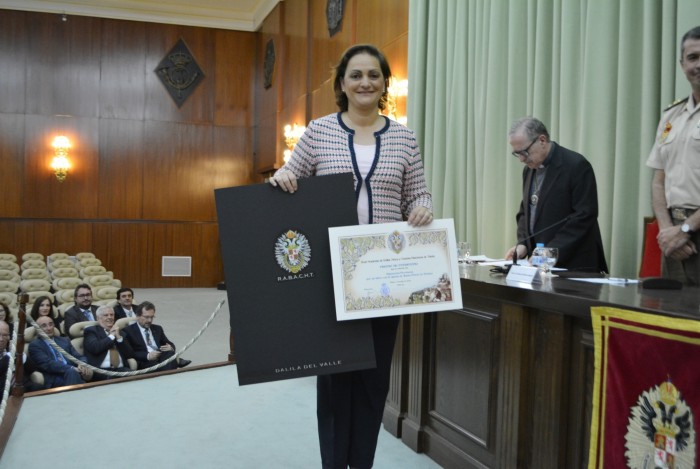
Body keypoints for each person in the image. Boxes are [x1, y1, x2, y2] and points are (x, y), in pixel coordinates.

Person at [270, 44, 433, 469]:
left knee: (373, 382)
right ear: (342, 82)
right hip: (332, 277)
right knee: (334, 379)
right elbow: (290, 175)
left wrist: (422, 206)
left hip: (385, 277)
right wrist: (284, 176)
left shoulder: (403, 136)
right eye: (356, 75)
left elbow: (417, 191)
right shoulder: (319, 131)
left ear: (383, 83)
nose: (365, 82)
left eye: (374, 75)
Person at [504, 117, 608, 273]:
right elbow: (526, 212)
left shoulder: (576, 165)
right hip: (540, 265)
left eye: (524, 152)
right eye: (516, 154)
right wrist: (523, 244)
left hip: (574, 265)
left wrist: (550, 252)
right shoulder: (529, 170)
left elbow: (584, 216)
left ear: (542, 140)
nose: (521, 159)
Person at [646, 26, 700, 285]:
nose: (698, 65)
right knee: (673, 316)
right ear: (682, 64)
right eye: (692, 58)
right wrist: (668, 231)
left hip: (690, 228)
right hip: (674, 237)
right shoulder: (671, 115)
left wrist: (686, 228)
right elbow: (659, 179)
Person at [120, 301, 190, 370]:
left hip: (161, 357)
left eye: (152, 317)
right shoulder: (128, 331)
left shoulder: (157, 328)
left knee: (170, 353)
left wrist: (170, 347)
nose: (150, 320)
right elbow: (129, 353)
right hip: (146, 361)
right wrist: (147, 356)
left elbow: (169, 343)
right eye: (146, 317)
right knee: (167, 364)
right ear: (138, 316)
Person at [28, 316, 91, 388]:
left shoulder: (64, 340)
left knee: (75, 373)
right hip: (55, 377)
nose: (49, 328)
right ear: (38, 329)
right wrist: (71, 368)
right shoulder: (35, 345)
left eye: (51, 324)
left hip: (74, 373)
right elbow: (48, 364)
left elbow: (78, 356)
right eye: (44, 326)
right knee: (73, 373)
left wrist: (82, 363)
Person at [83, 305, 132, 380]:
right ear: (98, 318)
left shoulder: (120, 332)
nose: (110, 317)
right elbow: (95, 348)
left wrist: (119, 338)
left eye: (111, 315)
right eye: (106, 315)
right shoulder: (91, 331)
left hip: (120, 369)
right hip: (101, 370)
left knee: (134, 377)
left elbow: (129, 354)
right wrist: (111, 336)